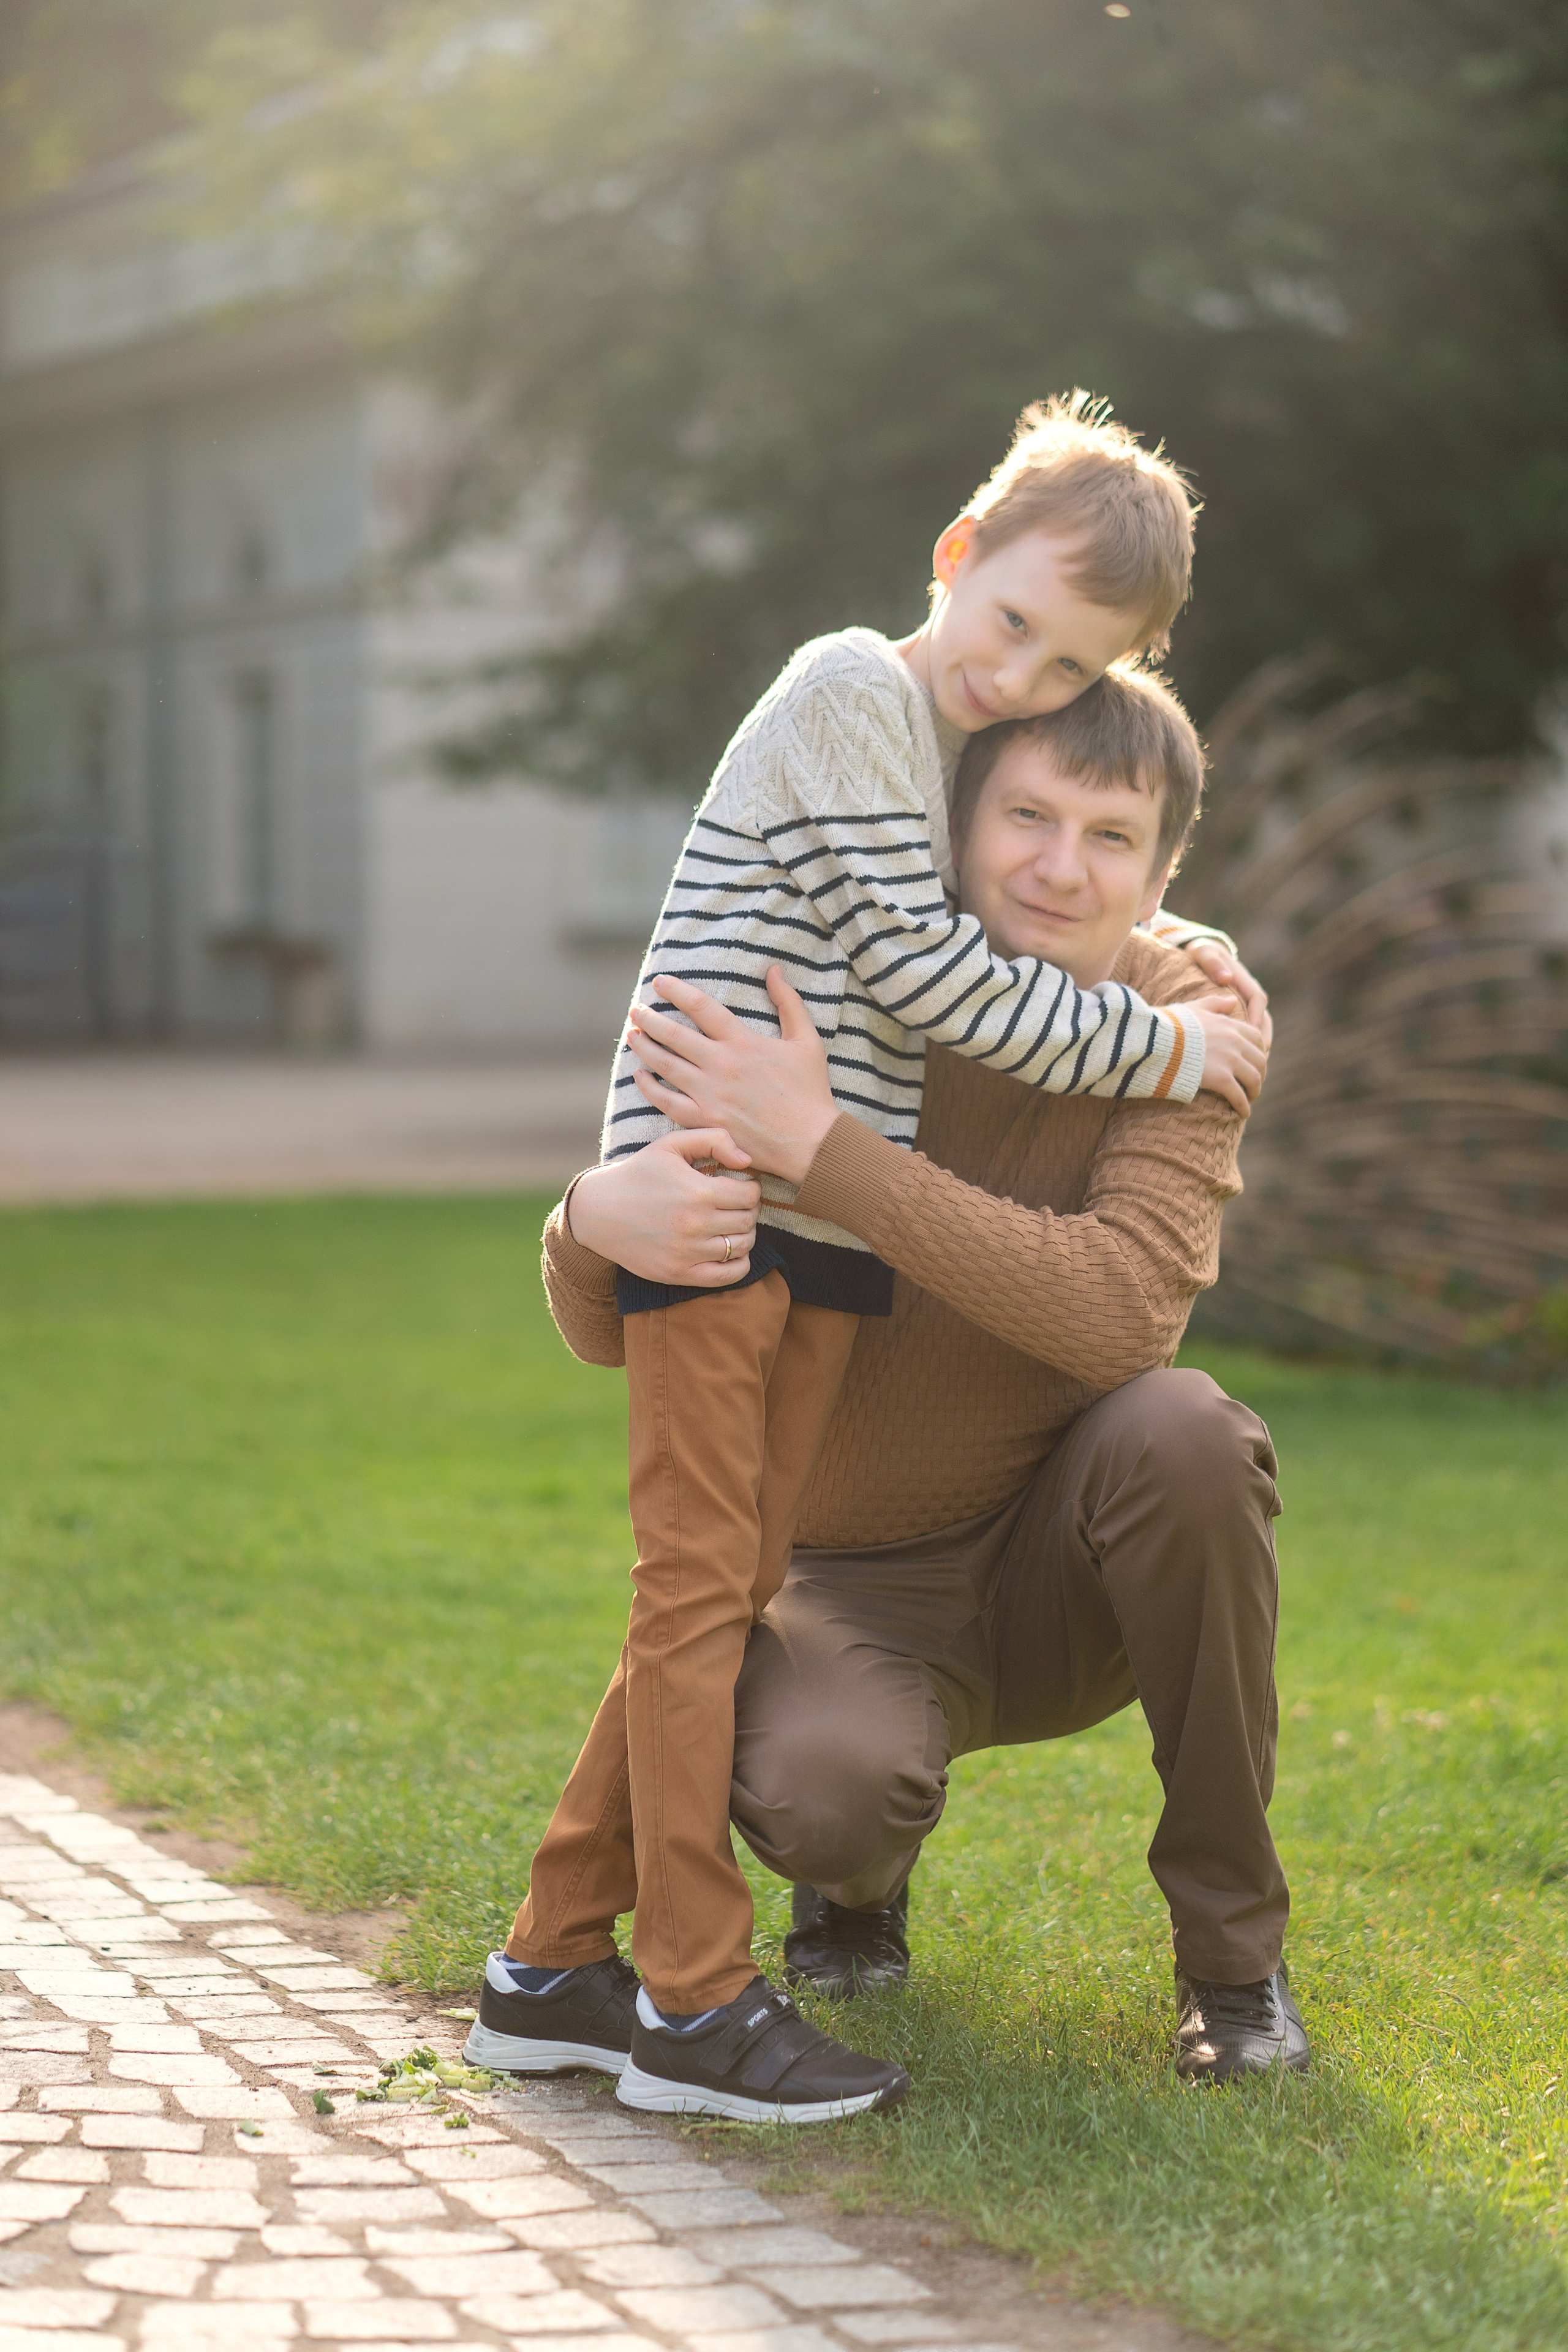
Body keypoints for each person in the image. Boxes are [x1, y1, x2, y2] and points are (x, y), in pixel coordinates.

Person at [467, 403, 1272, 2121]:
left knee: (732, 1582)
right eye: (1028, 812)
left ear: (1163, 871)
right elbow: (891, 978)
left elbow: (1119, 1313)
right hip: (764, 1322)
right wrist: (592, 1215)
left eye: (1110, 836)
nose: (1058, 861)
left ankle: (555, 1964)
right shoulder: (861, 733)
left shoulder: (1173, 1004)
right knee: (704, 1598)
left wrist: (1151, 1044)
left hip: (1030, 1524)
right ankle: (677, 1990)